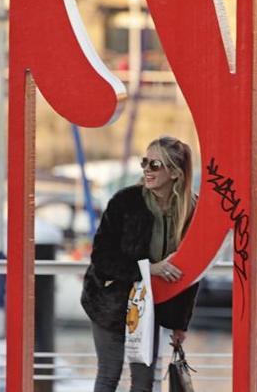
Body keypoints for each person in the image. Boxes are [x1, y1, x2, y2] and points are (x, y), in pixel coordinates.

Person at [80, 136, 199, 392]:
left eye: (155, 164)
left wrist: (180, 323)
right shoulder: (125, 201)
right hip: (109, 298)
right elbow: (101, 257)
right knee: (109, 374)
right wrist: (149, 268)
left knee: (144, 382)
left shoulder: (190, 210)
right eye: (144, 161)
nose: (146, 169)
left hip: (150, 306)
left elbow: (190, 270)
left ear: (176, 173)